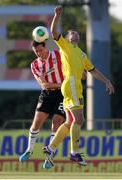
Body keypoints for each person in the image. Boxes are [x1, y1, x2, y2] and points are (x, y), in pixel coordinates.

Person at [43, 5, 115, 169]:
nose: (75, 35)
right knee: (80, 119)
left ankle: (51, 147)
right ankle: (74, 153)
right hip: (71, 85)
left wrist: (107, 81)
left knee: (70, 122)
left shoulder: (82, 54)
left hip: (73, 87)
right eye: (72, 34)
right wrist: (56, 15)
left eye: (77, 34)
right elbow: (54, 32)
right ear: (67, 38)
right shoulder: (66, 46)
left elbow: (93, 71)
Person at [19, 40, 66, 168]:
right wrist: (62, 84)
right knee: (36, 123)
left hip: (62, 95)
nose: (39, 53)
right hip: (47, 94)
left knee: (57, 121)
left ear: (45, 47)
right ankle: (29, 150)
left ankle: (49, 156)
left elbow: (70, 66)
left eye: (40, 50)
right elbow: (44, 84)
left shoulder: (58, 54)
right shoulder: (35, 64)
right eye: (36, 52)